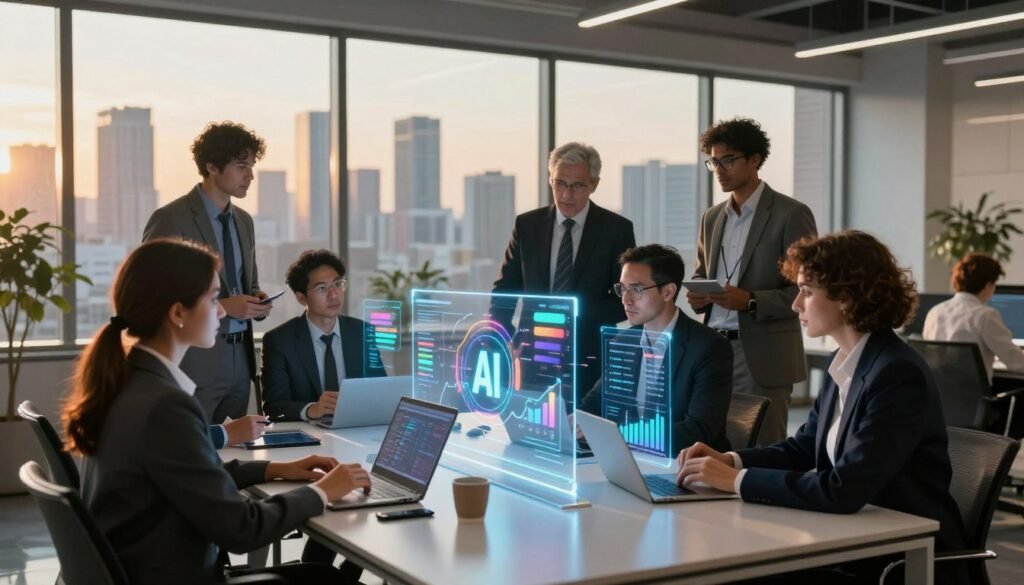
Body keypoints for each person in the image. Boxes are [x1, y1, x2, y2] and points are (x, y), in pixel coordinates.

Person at [61, 239, 371, 585]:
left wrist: (275, 468)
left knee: (323, 575)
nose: (223, 312)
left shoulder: (127, 382)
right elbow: (243, 528)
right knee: (329, 579)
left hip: (146, 571)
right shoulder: (164, 405)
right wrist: (323, 491)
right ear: (178, 313)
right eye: (212, 299)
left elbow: (191, 471)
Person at [676, 230, 967, 584]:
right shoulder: (844, 362)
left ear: (846, 297)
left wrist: (736, 481)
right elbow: (803, 448)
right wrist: (732, 460)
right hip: (852, 536)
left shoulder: (896, 374)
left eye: (807, 292)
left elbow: (842, 489)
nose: (795, 304)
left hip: (899, 557)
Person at [688, 118, 817, 446]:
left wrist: (751, 300)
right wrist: (699, 295)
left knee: (763, 447)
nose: (719, 169)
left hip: (761, 351)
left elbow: (808, 289)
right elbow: (703, 272)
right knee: (715, 443)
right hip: (713, 346)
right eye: (714, 162)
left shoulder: (790, 214)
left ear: (755, 160)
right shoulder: (712, 217)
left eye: (728, 160)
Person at [143, 121, 272, 425]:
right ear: (212, 166)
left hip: (240, 363)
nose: (250, 175)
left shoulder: (244, 221)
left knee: (232, 456)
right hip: (193, 363)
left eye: (251, 166)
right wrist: (225, 308)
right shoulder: (170, 220)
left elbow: (247, 282)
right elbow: (152, 298)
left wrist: (256, 299)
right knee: (192, 453)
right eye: (242, 166)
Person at [493, 141, 636, 396]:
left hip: (589, 355)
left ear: (594, 184)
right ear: (550, 180)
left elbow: (624, 299)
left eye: (578, 185)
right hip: (534, 352)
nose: (567, 194)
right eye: (560, 183)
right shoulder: (527, 225)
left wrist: (570, 313)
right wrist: (502, 331)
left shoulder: (616, 230)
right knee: (534, 428)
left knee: (582, 430)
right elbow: (507, 286)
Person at [578, 245, 733, 456]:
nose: (625, 299)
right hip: (632, 462)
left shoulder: (710, 348)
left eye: (637, 289)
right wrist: (573, 421)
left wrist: (623, 437)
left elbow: (697, 432)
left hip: (686, 469)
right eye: (622, 289)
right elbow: (596, 401)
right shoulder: (622, 342)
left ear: (668, 292)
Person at [262, 249, 387, 421]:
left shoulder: (362, 333)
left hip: (356, 429)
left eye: (337, 284)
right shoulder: (279, 341)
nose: (333, 295)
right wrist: (311, 409)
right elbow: (274, 407)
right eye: (321, 288)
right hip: (308, 435)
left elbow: (381, 390)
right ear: (301, 298)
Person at [924, 252, 1024, 380]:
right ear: (988, 285)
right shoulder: (985, 316)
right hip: (973, 397)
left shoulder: (935, 312)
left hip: (940, 397)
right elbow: (1015, 361)